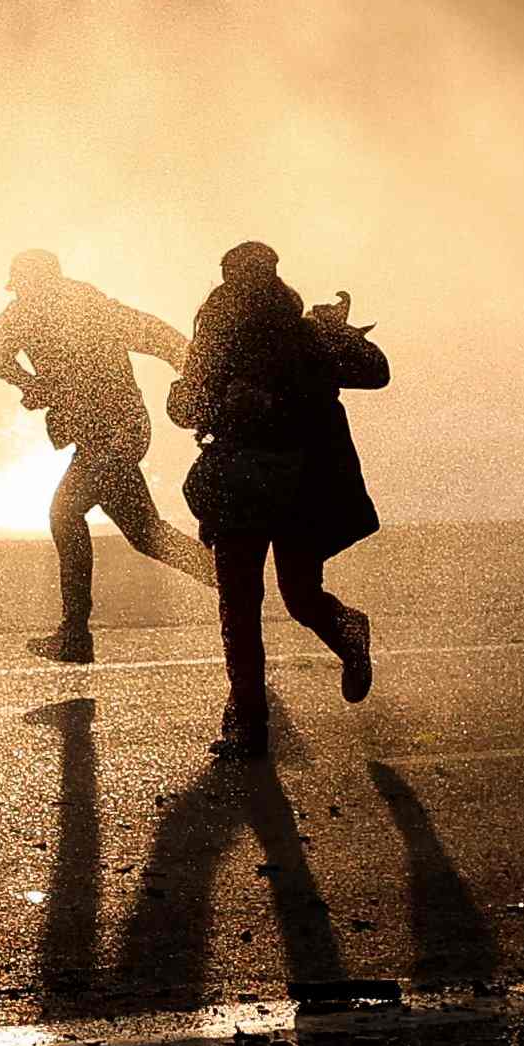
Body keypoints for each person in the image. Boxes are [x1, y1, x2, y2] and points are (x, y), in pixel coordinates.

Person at [167, 240, 385, 759]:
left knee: (292, 597)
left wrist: (334, 332)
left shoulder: (305, 337)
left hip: (293, 487)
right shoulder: (227, 333)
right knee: (243, 607)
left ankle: (345, 632)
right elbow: (184, 405)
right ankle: (249, 723)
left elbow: (375, 371)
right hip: (245, 487)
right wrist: (221, 401)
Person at [0, 248, 215, 661]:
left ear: (36, 283)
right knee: (146, 534)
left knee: (65, 513)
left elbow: (159, 337)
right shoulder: (38, 312)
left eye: (25, 288)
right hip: (104, 433)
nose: (21, 296)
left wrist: (198, 374)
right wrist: (33, 383)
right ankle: (227, 578)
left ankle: (75, 634)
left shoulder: (84, 308)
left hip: (116, 432)